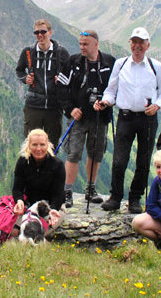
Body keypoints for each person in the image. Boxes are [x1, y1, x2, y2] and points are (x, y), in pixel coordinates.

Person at [95, 27, 161, 213]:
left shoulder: (156, 66)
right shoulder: (121, 65)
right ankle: (115, 197)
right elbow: (111, 91)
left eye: (141, 43)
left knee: (143, 161)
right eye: (134, 42)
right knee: (119, 160)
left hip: (148, 118)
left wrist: (158, 106)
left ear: (147, 45)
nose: (137, 46)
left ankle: (135, 199)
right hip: (126, 117)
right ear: (130, 43)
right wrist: (106, 101)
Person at [61, 30, 116, 207]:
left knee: (96, 152)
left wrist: (107, 103)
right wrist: (70, 109)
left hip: (101, 117)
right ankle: (67, 191)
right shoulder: (73, 61)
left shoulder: (110, 62)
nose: (82, 47)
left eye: (85, 44)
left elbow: (116, 88)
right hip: (78, 117)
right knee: (74, 152)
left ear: (96, 44)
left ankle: (90, 189)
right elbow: (61, 88)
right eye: (80, 44)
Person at [15, 18, 71, 147]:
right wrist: (25, 79)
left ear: (50, 32)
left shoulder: (62, 53)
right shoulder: (28, 52)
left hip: (54, 106)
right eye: (36, 32)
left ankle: (50, 167)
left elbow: (71, 75)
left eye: (43, 32)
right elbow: (19, 71)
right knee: (32, 145)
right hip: (33, 106)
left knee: (52, 145)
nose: (40, 35)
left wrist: (62, 80)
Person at [12, 129, 65, 230]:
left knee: (38, 230)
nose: (38, 149)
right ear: (29, 146)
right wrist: (19, 200)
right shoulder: (23, 162)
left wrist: (54, 209)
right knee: (15, 230)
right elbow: (17, 188)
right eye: (34, 145)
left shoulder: (57, 165)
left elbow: (59, 194)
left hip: (52, 206)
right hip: (30, 205)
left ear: (47, 145)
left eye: (42, 144)